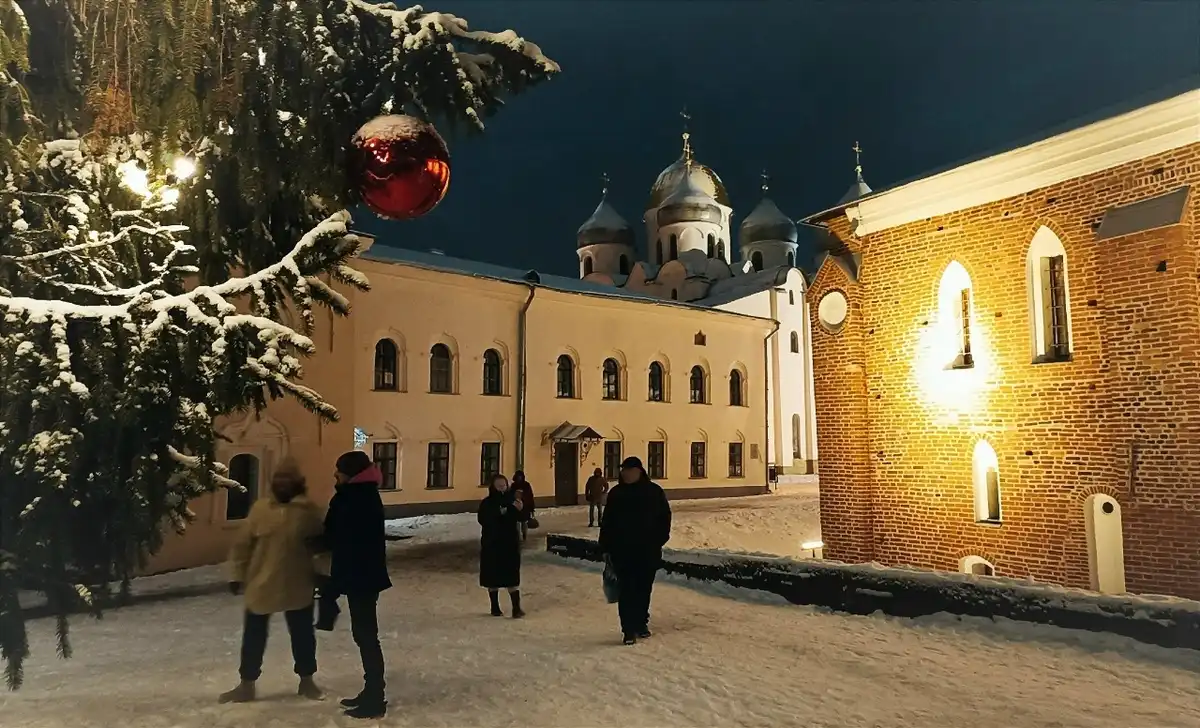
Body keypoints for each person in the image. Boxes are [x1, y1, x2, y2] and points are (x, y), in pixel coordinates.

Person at [220, 458, 325, 704]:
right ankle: (247, 684)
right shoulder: (260, 510)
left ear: (297, 483)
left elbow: (321, 549)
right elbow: (242, 545)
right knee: (254, 636)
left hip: (297, 582)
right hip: (262, 582)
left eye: (287, 480)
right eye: (278, 479)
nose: (281, 484)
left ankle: (307, 681)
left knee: (302, 635)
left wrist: (324, 574)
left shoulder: (309, 512)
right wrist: (236, 574)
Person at [320, 450, 393, 720]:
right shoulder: (361, 496)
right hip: (362, 575)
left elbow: (344, 541)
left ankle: (376, 696)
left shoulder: (355, 499)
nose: (335, 475)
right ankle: (372, 690)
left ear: (350, 473)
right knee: (364, 636)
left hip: (360, 575)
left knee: (366, 637)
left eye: (339, 471)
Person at [598, 456, 672, 646]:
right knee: (627, 591)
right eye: (623, 470)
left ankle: (640, 623)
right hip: (622, 552)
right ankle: (628, 629)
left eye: (629, 470)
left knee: (643, 589)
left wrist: (659, 540)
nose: (625, 473)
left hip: (647, 551)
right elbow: (607, 522)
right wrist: (605, 547)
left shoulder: (654, 492)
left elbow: (665, 518)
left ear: (639, 471)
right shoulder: (617, 494)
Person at [478, 472, 529, 618]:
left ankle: (516, 608)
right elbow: (483, 519)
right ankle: (494, 607)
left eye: (504, 485)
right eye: (499, 485)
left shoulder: (511, 500)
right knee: (492, 577)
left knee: (511, 576)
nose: (502, 487)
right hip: (492, 544)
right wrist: (498, 513)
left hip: (509, 544)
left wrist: (520, 510)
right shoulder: (487, 503)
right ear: (493, 487)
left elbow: (522, 518)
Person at [510, 470, 535, 542]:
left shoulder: (526, 485)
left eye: (520, 476)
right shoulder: (514, 485)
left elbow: (530, 496)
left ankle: (524, 535)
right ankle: (517, 535)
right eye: (518, 476)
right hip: (516, 506)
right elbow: (510, 495)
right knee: (516, 522)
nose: (519, 478)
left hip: (525, 507)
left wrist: (532, 508)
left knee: (524, 522)